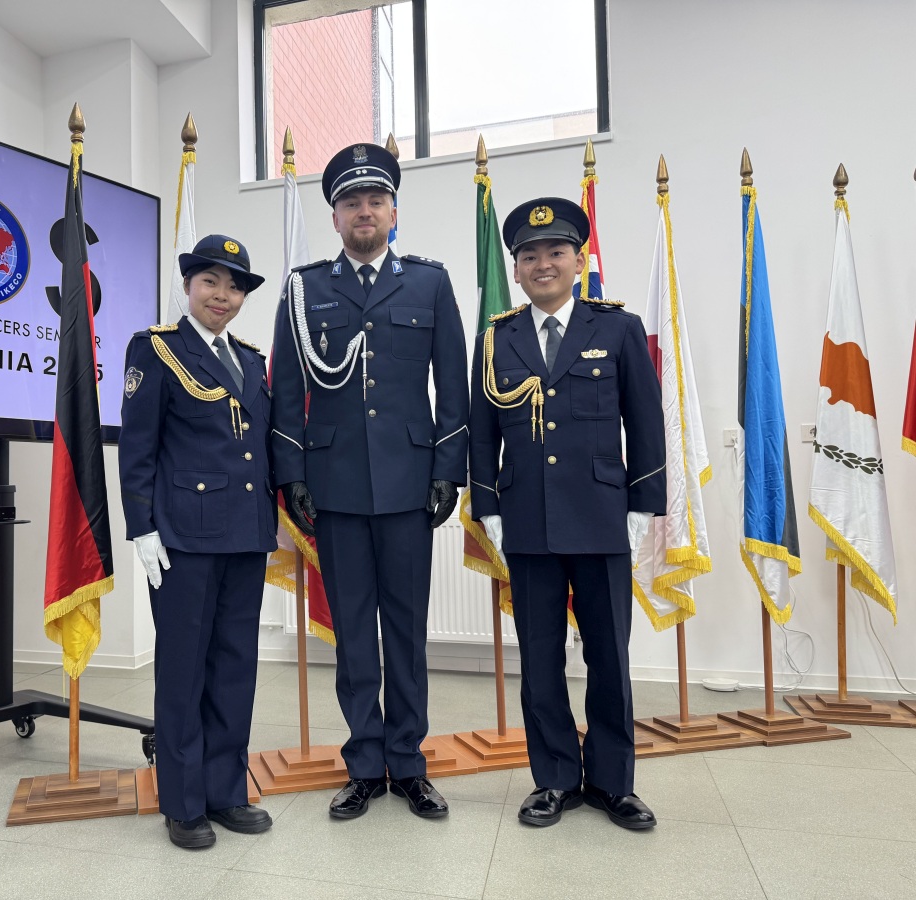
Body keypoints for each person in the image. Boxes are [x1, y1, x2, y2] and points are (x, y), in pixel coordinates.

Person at [270, 142, 469, 820]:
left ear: (393, 211)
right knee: (354, 634)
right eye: (351, 202)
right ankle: (363, 765)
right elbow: (286, 389)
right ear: (334, 217)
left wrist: (447, 470)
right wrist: (292, 475)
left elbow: (453, 386)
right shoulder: (303, 289)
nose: (364, 211)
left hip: (410, 485)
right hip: (335, 487)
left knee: (406, 632)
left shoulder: (429, 283)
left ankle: (408, 763)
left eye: (375, 200)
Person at [468, 197, 666, 830]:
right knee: (541, 659)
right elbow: (481, 433)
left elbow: (646, 420)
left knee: (609, 656)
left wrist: (644, 503)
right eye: (529, 256)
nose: (543, 264)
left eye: (556, 252)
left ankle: (613, 782)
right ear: (516, 269)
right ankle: (554, 778)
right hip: (527, 518)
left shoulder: (618, 328)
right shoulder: (497, 337)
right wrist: (488, 506)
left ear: (579, 261)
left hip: (603, 515)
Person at [119, 234, 276, 850]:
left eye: (234, 287)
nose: (222, 295)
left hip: (245, 534)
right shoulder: (157, 349)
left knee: (235, 668)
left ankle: (226, 791)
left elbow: (257, 448)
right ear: (189, 285)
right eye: (211, 281)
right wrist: (142, 527)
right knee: (183, 671)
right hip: (183, 537)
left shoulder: (251, 359)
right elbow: (138, 446)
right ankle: (183, 803)